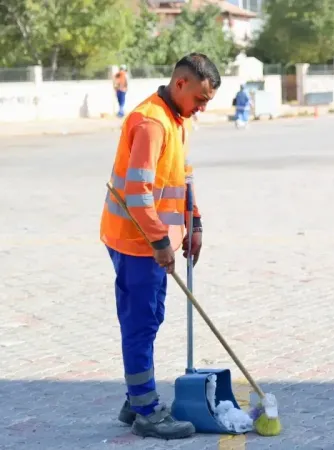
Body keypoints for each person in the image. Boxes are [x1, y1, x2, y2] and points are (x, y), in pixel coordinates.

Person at [99, 53, 221, 440]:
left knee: (151, 318)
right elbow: (138, 193)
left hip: (152, 240)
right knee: (140, 323)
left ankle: (136, 397)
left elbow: (183, 175)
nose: (202, 108)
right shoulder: (151, 122)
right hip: (136, 240)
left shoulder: (177, 119)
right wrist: (159, 241)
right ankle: (146, 412)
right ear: (180, 84)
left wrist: (194, 222)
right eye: (200, 99)